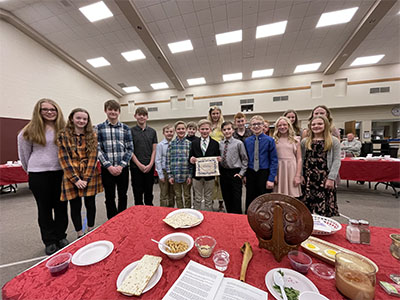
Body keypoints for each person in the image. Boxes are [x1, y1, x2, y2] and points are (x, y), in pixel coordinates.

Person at [17, 98, 69, 255]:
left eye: (52, 109)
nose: (49, 112)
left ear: (57, 111)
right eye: (45, 109)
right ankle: (50, 240)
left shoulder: (64, 129)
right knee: (44, 209)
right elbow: (24, 156)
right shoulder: (27, 131)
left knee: (61, 208)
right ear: (38, 112)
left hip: (60, 173)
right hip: (39, 175)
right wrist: (33, 170)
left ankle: (61, 237)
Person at [58, 108, 103, 238]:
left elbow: (93, 157)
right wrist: (76, 179)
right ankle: (79, 233)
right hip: (71, 175)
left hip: (90, 174)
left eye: (84, 119)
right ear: (72, 118)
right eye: (78, 118)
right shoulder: (63, 135)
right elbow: (64, 159)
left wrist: (86, 178)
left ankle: (91, 229)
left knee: (90, 204)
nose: (81, 121)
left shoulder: (92, 135)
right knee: (75, 205)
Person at [97, 100, 133, 219]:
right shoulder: (99, 128)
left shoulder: (126, 128)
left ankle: (122, 219)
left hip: (123, 169)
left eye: (115, 110)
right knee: (109, 197)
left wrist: (121, 166)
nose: (113, 112)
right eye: (110, 109)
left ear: (119, 112)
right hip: (107, 170)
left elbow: (130, 149)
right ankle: (111, 220)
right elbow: (98, 149)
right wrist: (109, 166)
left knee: (123, 195)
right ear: (105, 111)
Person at [301, 115, 341, 217]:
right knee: (306, 209)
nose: (316, 126)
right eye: (313, 124)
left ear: (325, 125)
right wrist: (301, 175)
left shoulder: (333, 141)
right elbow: (301, 160)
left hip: (324, 178)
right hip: (308, 178)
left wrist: (331, 178)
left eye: (319, 124)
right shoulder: (305, 142)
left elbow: (337, 160)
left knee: (323, 209)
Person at [244, 115, 278, 211]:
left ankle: (264, 217)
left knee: (264, 198)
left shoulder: (270, 140)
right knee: (250, 197)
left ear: (263, 126)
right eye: (253, 124)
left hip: (264, 172)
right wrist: (245, 175)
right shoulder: (247, 141)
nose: (256, 126)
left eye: (259, 124)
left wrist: (271, 178)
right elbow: (245, 159)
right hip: (251, 172)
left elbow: (274, 160)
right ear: (250, 127)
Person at [189, 119, 220, 211]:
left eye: (207, 129)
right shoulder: (194, 143)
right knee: (197, 198)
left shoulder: (215, 143)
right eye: (202, 129)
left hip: (210, 176)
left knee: (208, 197)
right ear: (198, 130)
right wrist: (191, 159)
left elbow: (218, 156)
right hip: (197, 175)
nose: (205, 131)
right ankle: (197, 215)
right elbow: (190, 156)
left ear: (210, 129)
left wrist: (219, 159)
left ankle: (209, 216)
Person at [219, 121, 248, 214]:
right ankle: (229, 217)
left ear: (233, 130)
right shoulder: (220, 144)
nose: (227, 131)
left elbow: (244, 159)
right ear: (222, 131)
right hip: (223, 173)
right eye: (224, 130)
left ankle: (237, 218)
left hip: (235, 172)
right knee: (226, 197)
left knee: (236, 198)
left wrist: (241, 174)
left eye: (229, 129)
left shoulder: (238, 143)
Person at [130, 107, 158, 206]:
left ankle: (149, 216)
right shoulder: (130, 131)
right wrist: (139, 165)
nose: (142, 116)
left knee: (149, 194)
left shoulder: (152, 132)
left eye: (144, 115)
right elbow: (130, 150)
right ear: (135, 116)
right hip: (135, 167)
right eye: (139, 114)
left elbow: (154, 150)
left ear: (147, 117)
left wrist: (150, 164)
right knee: (137, 194)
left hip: (149, 167)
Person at [273, 117, 302, 197]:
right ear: (277, 127)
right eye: (280, 125)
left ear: (289, 126)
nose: (282, 127)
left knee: (292, 195)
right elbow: (272, 159)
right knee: (279, 196)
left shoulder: (295, 140)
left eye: (284, 125)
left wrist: (298, 175)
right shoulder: (274, 140)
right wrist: (274, 175)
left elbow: (299, 159)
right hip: (279, 169)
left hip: (291, 169)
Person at [167, 121, 193, 208]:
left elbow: (191, 162)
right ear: (175, 131)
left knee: (187, 196)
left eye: (183, 129)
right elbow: (168, 161)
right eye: (178, 129)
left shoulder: (189, 144)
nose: (181, 130)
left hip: (186, 175)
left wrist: (190, 175)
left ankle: (188, 212)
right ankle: (180, 212)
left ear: (185, 130)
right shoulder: (171, 144)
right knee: (178, 196)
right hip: (175, 175)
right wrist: (170, 175)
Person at [207, 106, 224, 211]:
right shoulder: (207, 125)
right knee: (211, 181)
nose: (215, 115)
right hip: (210, 156)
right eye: (213, 113)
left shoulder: (222, 125)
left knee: (220, 181)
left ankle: (221, 203)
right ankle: (211, 201)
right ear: (210, 115)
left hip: (220, 156)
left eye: (217, 113)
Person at [155, 124, 175, 207]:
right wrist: (160, 175)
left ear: (174, 133)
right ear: (163, 133)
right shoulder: (160, 145)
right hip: (164, 171)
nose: (169, 133)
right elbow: (158, 160)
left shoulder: (175, 144)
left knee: (172, 193)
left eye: (171, 131)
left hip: (173, 172)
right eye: (167, 132)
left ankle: (171, 209)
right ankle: (163, 211)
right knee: (164, 193)